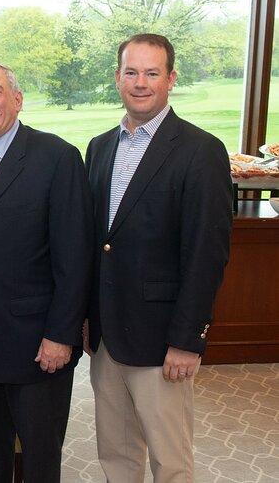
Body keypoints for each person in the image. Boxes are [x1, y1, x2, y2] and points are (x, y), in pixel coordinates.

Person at [83, 33, 233, 483]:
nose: (140, 82)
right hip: (108, 336)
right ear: (117, 78)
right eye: (131, 72)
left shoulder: (200, 150)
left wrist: (188, 339)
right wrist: (87, 316)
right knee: (116, 453)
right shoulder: (100, 146)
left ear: (170, 79)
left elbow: (207, 253)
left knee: (170, 461)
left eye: (152, 73)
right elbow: (98, 243)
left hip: (163, 340)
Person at [0, 60, 93, 482]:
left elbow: (75, 256)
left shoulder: (57, 157)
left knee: (39, 459)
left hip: (37, 346)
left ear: (17, 99)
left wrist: (61, 336)